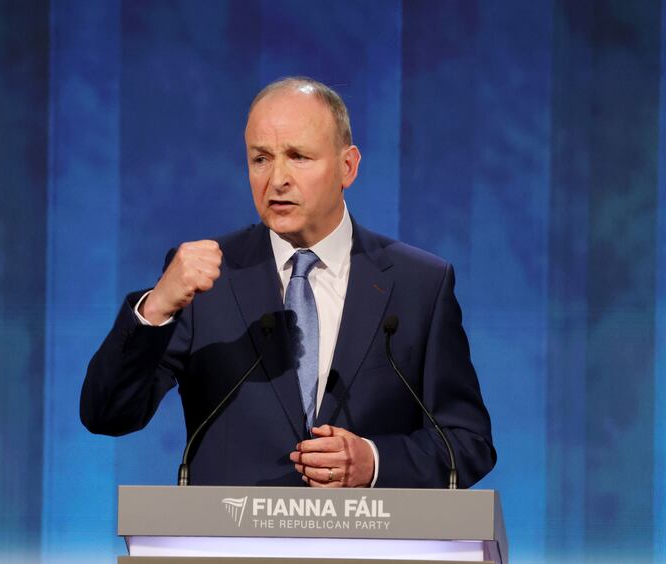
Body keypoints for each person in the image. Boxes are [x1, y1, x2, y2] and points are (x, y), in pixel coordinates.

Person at [80, 77, 496, 488]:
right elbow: (109, 415)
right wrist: (155, 309)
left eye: (298, 157)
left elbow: (468, 442)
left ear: (347, 167)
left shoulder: (419, 284)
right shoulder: (206, 280)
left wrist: (374, 461)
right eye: (261, 159)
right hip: (229, 548)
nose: (276, 179)